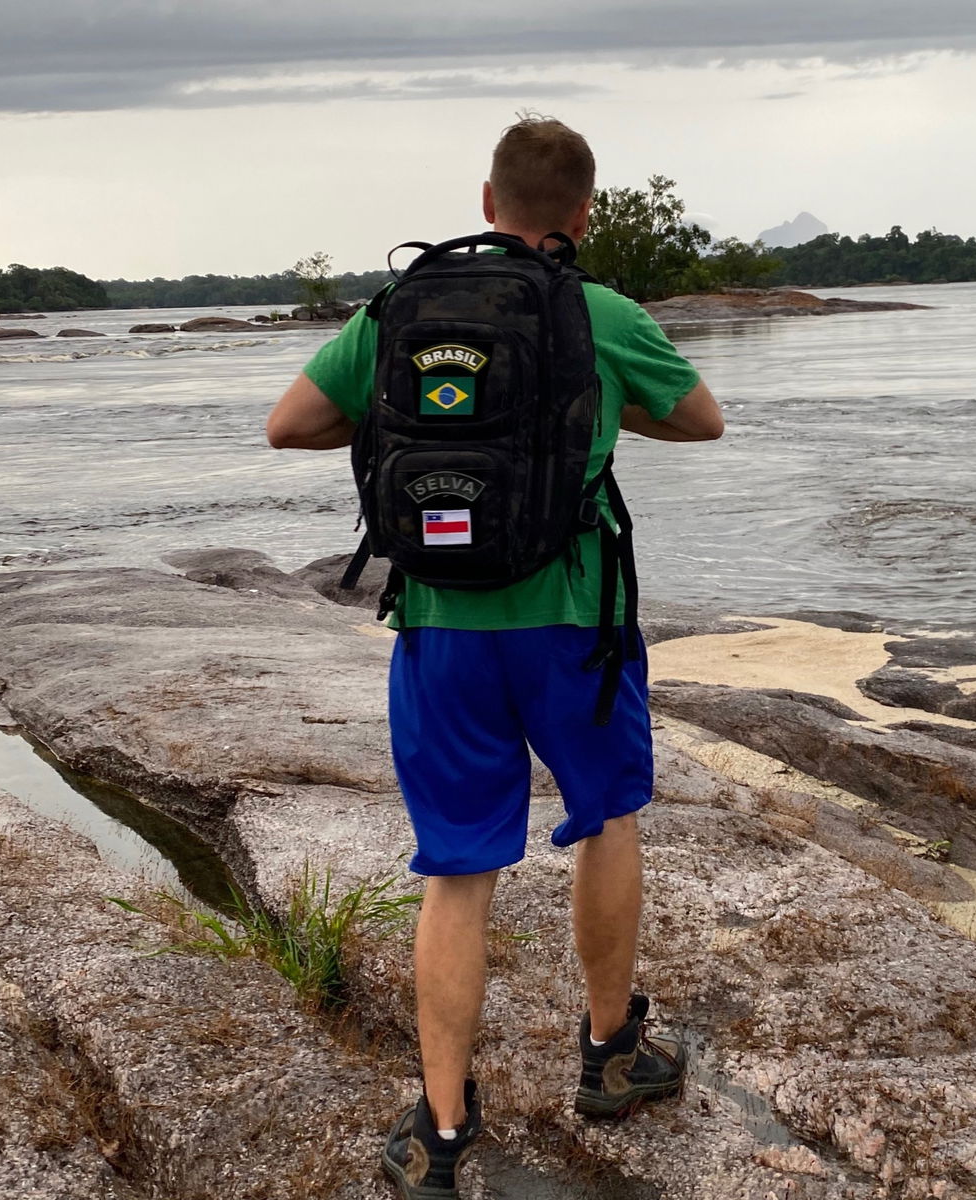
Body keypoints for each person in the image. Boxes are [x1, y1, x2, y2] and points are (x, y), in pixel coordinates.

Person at [265, 115, 725, 1200]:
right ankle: (611, 1053)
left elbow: (288, 425)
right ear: (582, 214)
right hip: (574, 624)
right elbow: (701, 421)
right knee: (604, 820)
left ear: (484, 204)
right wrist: (593, 413)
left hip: (438, 629)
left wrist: (401, 425)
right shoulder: (599, 312)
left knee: (458, 873)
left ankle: (440, 1128)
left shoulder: (399, 310)